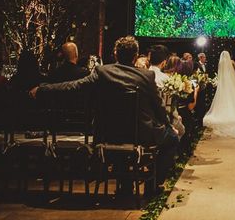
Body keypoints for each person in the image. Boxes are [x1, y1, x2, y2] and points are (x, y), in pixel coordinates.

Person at [30, 36, 178, 186]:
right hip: (140, 135)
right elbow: (159, 107)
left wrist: (43, 89)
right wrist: (167, 125)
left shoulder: (102, 72)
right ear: (135, 56)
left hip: (109, 133)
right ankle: (153, 184)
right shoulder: (146, 76)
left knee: (122, 133)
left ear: (115, 55)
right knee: (172, 138)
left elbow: (74, 87)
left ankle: (125, 185)